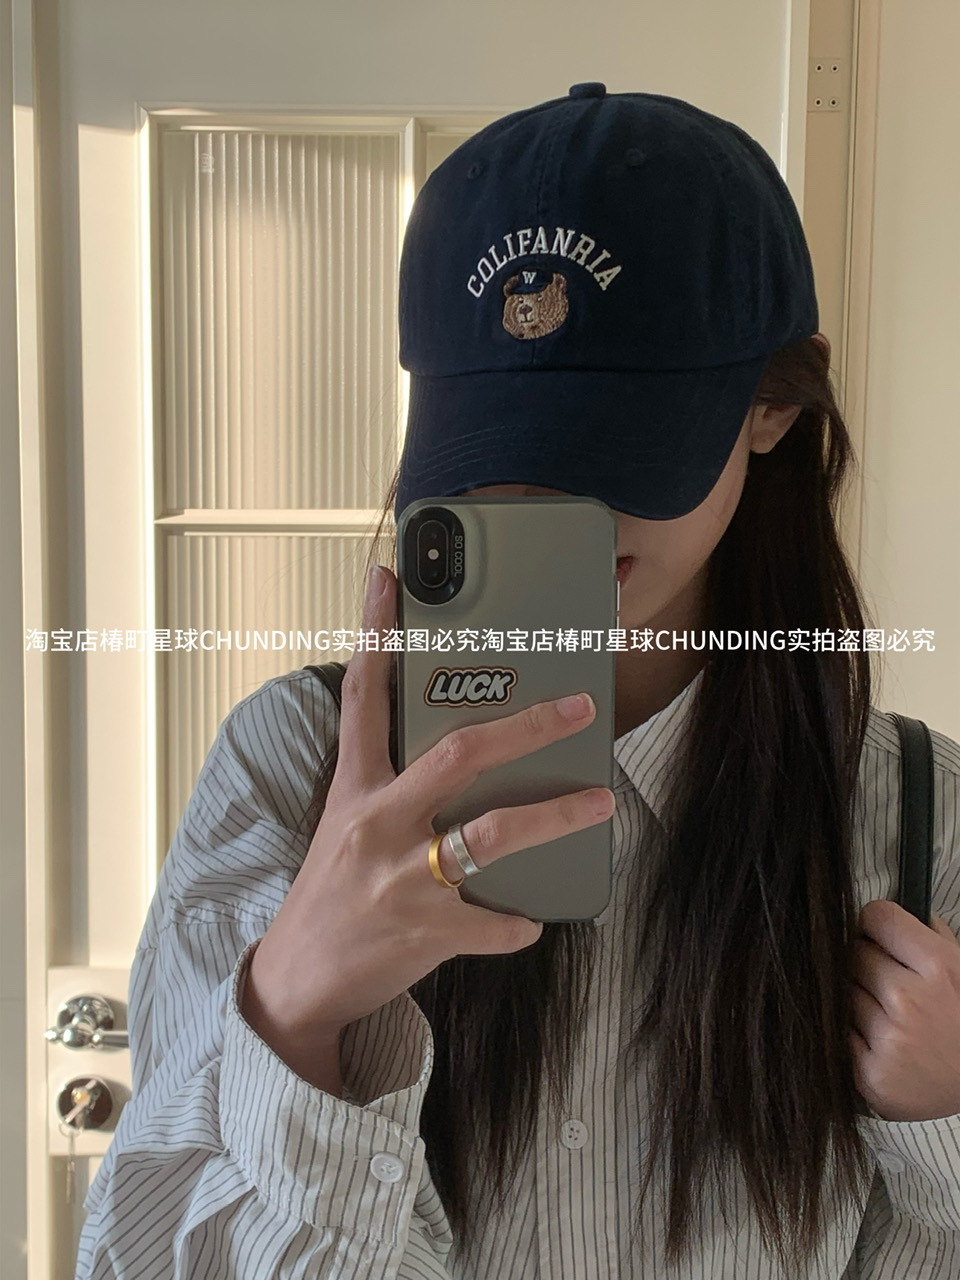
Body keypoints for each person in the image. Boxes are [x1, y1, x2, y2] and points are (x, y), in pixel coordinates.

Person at [75, 85, 960, 1280]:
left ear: (770, 408)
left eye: (619, 440)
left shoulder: (917, 817)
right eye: (499, 442)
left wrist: (944, 1121)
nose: (552, 501)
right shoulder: (290, 769)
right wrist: (295, 1006)